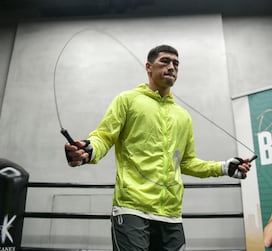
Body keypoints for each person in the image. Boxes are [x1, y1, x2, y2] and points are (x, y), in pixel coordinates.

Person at [64, 44, 252, 251]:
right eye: (165, 61)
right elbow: (104, 137)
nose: (172, 67)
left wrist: (225, 167)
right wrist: (89, 151)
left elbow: (187, 162)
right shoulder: (127, 100)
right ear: (148, 67)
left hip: (171, 215)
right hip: (132, 209)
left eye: (176, 64)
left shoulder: (183, 116)